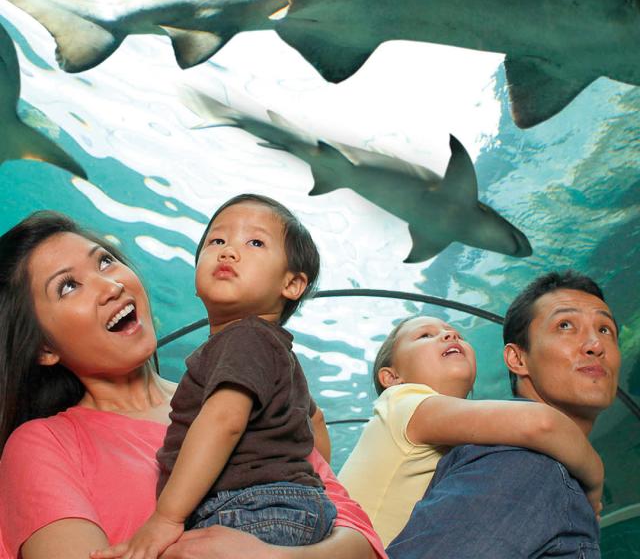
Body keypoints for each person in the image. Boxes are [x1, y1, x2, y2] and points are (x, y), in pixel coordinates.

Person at [0, 210, 386, 559]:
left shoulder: (251, 390)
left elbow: (361, 541)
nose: (110, 286)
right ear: (44, 347)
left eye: (105, 261)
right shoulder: (42, 445)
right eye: (68, 286)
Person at [93, 193, 336, 559]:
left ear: (292, 284)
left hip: (255, 507)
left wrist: (165, 517)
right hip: (285, 506)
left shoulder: (244, 337)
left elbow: (224, 420)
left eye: (254, 242)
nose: (228, 252)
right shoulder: (272, 349)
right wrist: (309, 483)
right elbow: (314, 419)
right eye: (217, 241)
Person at [386, 271, 620, 558]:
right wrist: (595, 477)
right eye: (565, 325)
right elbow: (540, 425)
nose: (596, 345)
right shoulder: (526, 462)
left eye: (606, 329)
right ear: (517, 358)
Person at [338, 314, 604, 547]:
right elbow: (542, 424)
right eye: (425, 335)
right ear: (392, 377)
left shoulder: (458, 443)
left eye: (456, 333)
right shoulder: (400, 402)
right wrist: (593, 484)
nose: (449, 334)